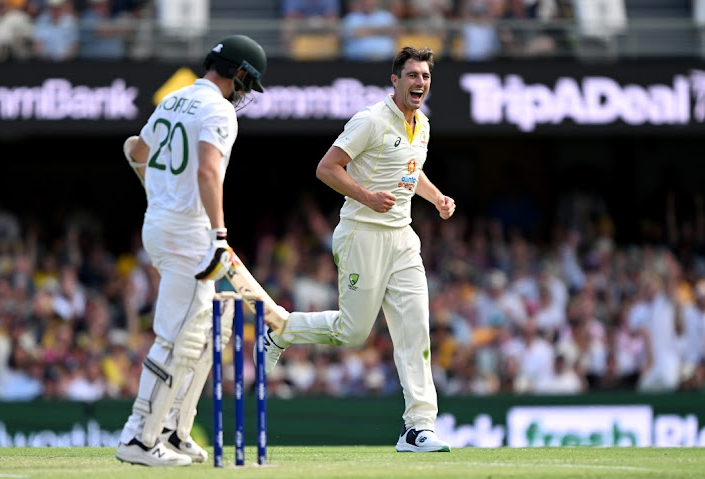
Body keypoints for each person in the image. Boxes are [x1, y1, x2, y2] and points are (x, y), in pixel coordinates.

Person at [260, 45, 455, 453]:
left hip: (402, 237)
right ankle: (282, 329)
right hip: (361, 232)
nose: (420, 83)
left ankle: (417, 427)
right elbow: (326, 168)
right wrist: (367, 197)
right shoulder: (370, 120)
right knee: (353, 333)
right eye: (413, 76)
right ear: (395, 81)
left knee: (416, 329)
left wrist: (435, 198)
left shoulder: (422, 124)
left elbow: (411, 172)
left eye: (425, 76)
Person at [115, 34, 268, 466]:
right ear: (239, 73)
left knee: (205, 336)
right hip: (188, 234)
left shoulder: (173, 99)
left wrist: (156, 193)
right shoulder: (218, 109)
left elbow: (135, 149)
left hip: (162, 225)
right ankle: (138, 439)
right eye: (247, 82)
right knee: (174, 337)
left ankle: (175, 431)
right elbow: (206, 169)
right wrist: (219, 235)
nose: (244, 92)